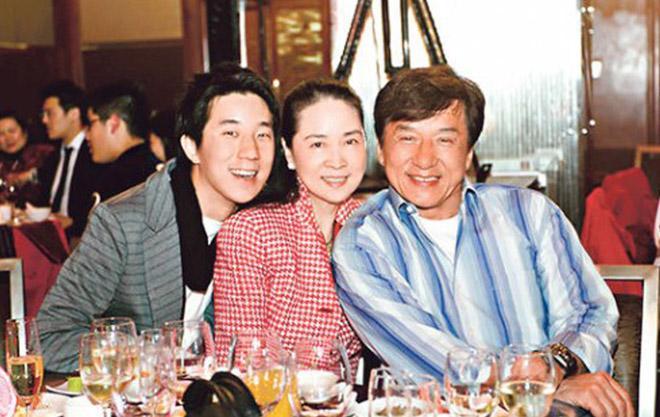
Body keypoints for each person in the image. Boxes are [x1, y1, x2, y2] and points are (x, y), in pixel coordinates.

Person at [332, 65, 634, 417]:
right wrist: (536, 391)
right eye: (407, 138)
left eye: (445, 139)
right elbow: (435, 361)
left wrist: (556, 365)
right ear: (382, 151)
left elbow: (590, 310)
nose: (425, 159)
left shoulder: (529, 213)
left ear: (468, 153)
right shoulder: (363, 245)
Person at [37, 63, 286, 373]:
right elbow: (48, 337)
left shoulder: (268, 224)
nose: (250, 152)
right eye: (230, 133)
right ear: (191, 146)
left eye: (263, 134)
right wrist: (148, 356)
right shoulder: (123, 224)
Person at [213, 79, 367, 368]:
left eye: (350, 141)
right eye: (318, 144)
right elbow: (243, 362)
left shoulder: (373, 227)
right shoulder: (251, 232)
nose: (337, 161)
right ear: (288, 153)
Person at [39, 80, 102, 237]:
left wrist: (73, 222)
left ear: (73, 113)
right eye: (43, 114)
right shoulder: (52, 158)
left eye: (50, 113)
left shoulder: (95, 154)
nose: (44, 120)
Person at [85, 81, 154, 201]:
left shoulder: (117, 180)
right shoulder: (157, 168)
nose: (87, 135)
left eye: (91, 124)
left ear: (114, 124)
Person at [0, 110, 55, 206]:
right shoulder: (2, 164)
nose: (8, 138)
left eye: (12, 131)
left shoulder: (45, 154)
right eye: (1, 134)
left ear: (24, 133)